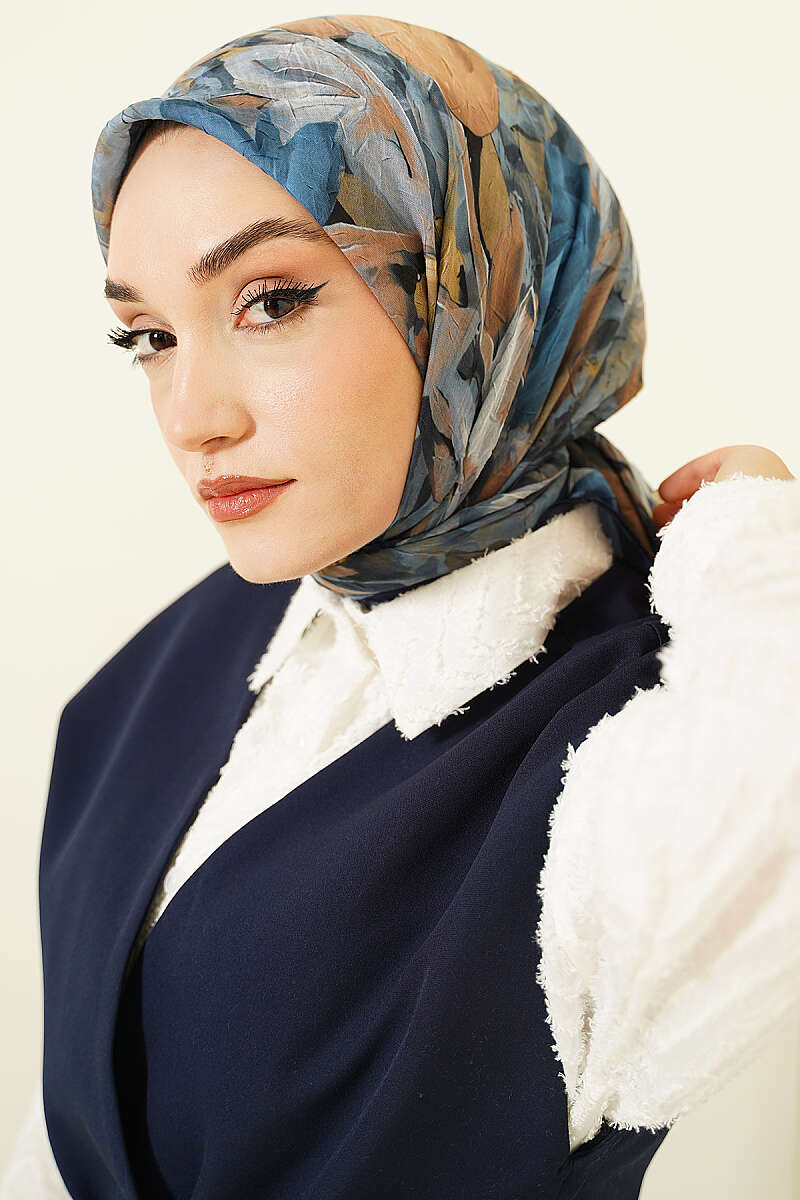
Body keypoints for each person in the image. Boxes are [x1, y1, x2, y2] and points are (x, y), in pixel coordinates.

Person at [2, 15, 798, 1200]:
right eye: (148, 335)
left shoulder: (623, 761)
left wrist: (752, 525)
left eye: (271, 301)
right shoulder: (167, 665)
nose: (190, 416)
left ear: (482, 290)